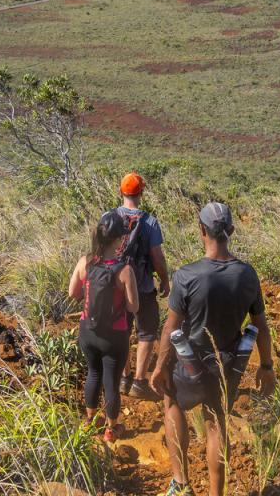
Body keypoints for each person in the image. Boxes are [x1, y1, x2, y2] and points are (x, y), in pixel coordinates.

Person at [150, 202, 276, 496]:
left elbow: (170, 328)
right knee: (216, 423)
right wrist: (266, 366)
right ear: (231, 230)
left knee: (172, 402)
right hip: (229, 364)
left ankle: (181, 484)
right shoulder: (247, 274)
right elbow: (260, 325)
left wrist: (160, 367)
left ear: (202, 231)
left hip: (190, 365)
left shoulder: (187, 275)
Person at [69, 210, 139, 443]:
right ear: (118, 240)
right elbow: (133, 307)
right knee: (111, 381)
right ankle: (111, 428)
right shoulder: (124, 271)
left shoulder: (85, 262)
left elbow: (72, 293)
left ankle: (90, 420)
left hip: (87, 332)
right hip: (114, 336)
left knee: (93, 373)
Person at [113, 171, 170, 399]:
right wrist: (164, 279)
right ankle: (138, 381)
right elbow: (157, 257)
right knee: (146, 331)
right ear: (141, 193)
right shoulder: (150, 222)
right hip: (143, 287)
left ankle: (123, 377)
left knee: (121, 330)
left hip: (116, 285)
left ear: (121, 191)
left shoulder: (109, 217)